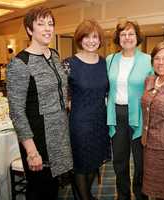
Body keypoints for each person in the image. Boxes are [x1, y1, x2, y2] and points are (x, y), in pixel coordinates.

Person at [6, 7, 73, 200]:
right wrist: (31, 150)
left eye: (50, 24)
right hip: (38, 136)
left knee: (52, 189)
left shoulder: (54, 54)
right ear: (29, 29)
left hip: (59, 132)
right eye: (41, 24)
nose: (47, 28)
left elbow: (60, 89)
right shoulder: (20, 63)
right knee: (39, 190)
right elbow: (17, 112)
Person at [63, 19, 111, 200]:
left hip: (100, 121)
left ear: (100, 40)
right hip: (80, 123)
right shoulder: (69, 64)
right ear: (79, 39)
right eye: (86, 37)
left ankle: (84, 195)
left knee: (95, 162)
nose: (91, 41)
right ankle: (85, 197)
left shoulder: (104, 63)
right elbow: (62, 94)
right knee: (81, 163)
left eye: (95, 37)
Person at [106, 20, 153, 200]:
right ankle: (123, 195)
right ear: (118, 38)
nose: (127, 37)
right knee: (119, 161)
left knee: (141, 163)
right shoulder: (111, 59)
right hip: (116, 114)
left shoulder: (147, 60)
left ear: (137, 37)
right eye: (123, 34)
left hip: (140, 116)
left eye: (131, 34)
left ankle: (141, 195)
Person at [141, 42, 164, 200]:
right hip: (149, 146)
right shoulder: (149, 80)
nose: (161, 62)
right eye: (157, 58)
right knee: (154, 191)